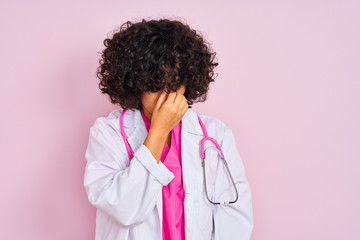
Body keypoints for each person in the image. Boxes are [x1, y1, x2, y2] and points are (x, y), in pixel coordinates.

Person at [84, 18, 253, 240]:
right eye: (154, 86)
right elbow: (123, 209)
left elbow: (235, 216)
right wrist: (159, 131)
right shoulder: (108, 133)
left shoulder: (216, 134)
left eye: (174, 85)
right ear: (135, 84)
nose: (165, 98)